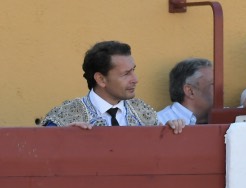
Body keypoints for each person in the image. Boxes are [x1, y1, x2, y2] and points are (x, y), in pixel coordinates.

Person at [39, 40, 184, 133]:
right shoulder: (66, 116)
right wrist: (62, 139)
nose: (135, 79)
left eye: (133, 70)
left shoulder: (143, 111)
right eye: (126, 74)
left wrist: (171, 131)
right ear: (101, 79)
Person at [157, 58, 214, 125]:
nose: (221, 91)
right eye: (213, 84)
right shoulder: (158, 122)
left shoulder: (223, 119)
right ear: (190, 91)